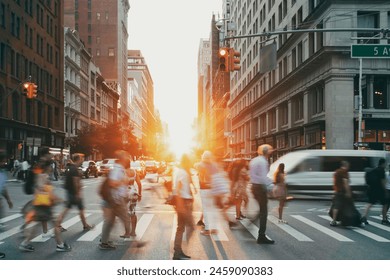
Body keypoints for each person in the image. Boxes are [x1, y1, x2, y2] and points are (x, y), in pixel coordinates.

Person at [19, 158, 71, 252]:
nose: (52, 168)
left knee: (40, 225)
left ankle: (25, 243)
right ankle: (60, 245)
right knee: (55, 224)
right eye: (51, 166)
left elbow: (37, 190)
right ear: (47, 167)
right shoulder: (44, 177)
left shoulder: (40, 176)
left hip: (42, 205)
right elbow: (48, 193)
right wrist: (61, 200)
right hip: (44, 206)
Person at [99, 150, 140, 250]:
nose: (128, 158)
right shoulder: (118, 169)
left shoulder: (119, 169)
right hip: (116, 200)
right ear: (123, 159)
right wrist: (123, 180)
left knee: (110, 221)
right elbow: (112, 183)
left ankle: (104, 241)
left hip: (115, 199)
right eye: (126, 157)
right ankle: (134, 241)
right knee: (125, 219)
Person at [56, 153, 94, 232]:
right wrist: (78, 193)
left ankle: (85, 225)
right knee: (76, 209)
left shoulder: (71, 167)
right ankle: (58, 225)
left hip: (70, 191)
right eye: (82, 158)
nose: (83, 160)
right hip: (74, 193)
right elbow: (75, 181)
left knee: (74, 209)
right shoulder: (74, 169)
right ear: (78, 159)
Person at [249, 144, 275, 244]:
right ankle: (261, 236)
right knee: (264, 212)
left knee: (261, 210)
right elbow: (264, 177)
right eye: (270, 152)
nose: (270, 154)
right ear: (267, 153)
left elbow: (252, 175)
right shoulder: (263, 162)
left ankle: (249, 224)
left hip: (253, 187)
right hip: (260, 188)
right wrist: (271, 186)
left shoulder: (254, 160)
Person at [172, 154, 195, 260]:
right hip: (183, 203)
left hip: (185, 202)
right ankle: (178, 251)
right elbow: (178, 189)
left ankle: (178, 251)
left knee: (181, 227)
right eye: (189, 160)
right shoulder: (182, 172)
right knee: (185, 227)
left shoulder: (182, 171)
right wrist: (180, 205)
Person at [196, 151, 219, 235]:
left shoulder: (201, 165)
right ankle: (215, 228)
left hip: (204, 189)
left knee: (206, 209)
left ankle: (207, 229)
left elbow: (201, 179)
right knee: (213, 209)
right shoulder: (214, 166)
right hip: (213, 189)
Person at [361, 158, 389, 225]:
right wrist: (385, 191)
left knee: (370, 203)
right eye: (385, 164)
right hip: (380, 190)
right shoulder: (382, 171)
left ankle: (364, 216)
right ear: (383, 163)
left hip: (372, 189)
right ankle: (384, 219)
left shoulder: (374, 169)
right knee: (385, 204)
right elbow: (383, 182)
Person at [330, 161, 352, 226]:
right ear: (345, 165)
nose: (349, 167)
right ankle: (338, 220)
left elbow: (335, 182)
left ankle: (334, 220)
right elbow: (345, 183)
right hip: (343, 191)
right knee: (340, 206)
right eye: (348, 165)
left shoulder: (337, 171)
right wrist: (348, 192)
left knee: (336, 206)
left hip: (337, 191)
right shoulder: (344, 172)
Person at [126, 159, 143, 237]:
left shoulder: (123, 172)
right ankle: (133, 232)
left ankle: (127, 232)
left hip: (125, 193)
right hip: (133, 193)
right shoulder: (134, 172)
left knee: (125, 213)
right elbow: (139, 184)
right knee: (132, 212)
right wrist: (140, 194)